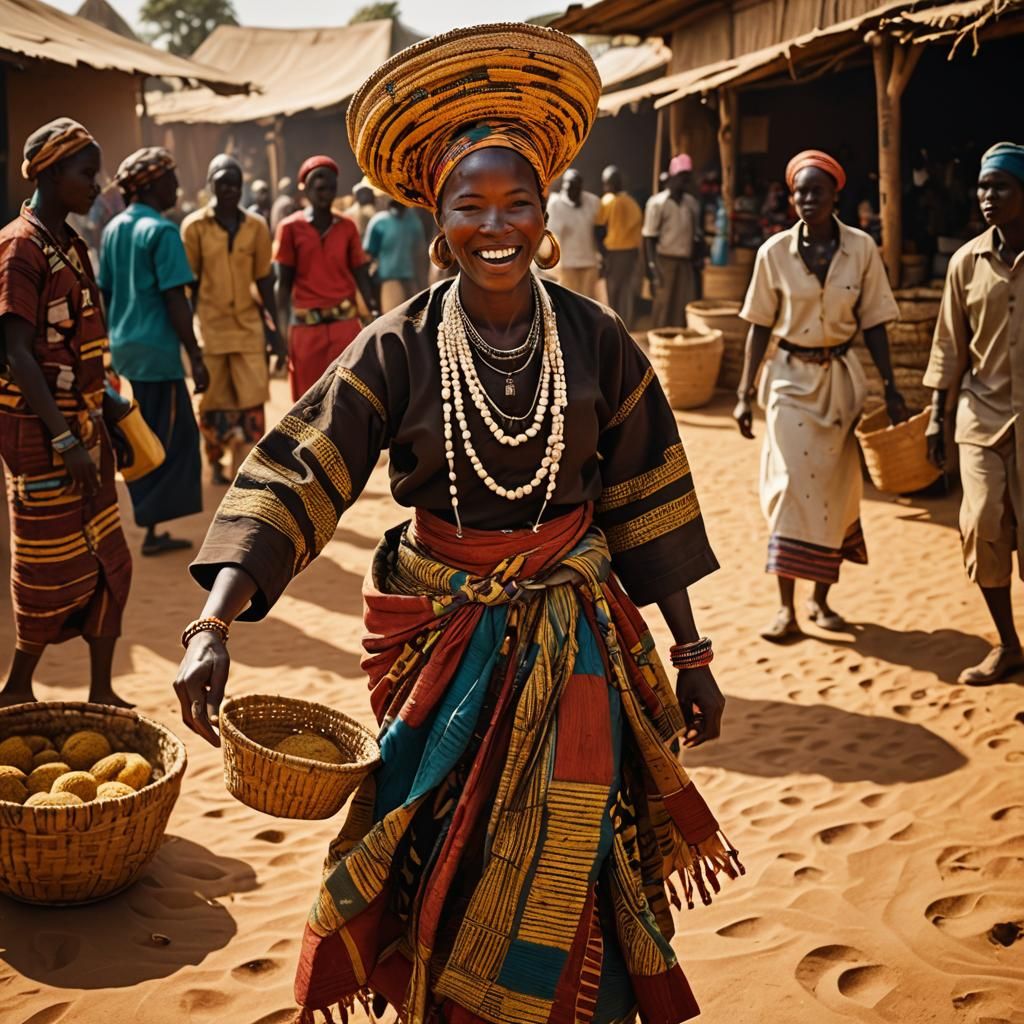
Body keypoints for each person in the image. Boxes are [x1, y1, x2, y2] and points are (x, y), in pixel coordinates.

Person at [173, 23, 740, 1024]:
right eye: (469, 205)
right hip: (441, 642)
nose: (495, 225)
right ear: (436, 221)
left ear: (545, 215)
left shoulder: (595, 338)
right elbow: (300, 474)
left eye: (516, 201)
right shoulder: (396, 344)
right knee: (440, 839)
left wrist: (691, 654)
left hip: (576, 639)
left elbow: (647, 497)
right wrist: (213, 622)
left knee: (577, 836)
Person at [734, 149, 907, 641]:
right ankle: (785, 609)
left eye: (817, 191)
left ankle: (821, 601)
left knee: (835, 494)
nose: (807, 200)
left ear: (836, 196)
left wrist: (892, 387)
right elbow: (758, 325)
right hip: (789, 382)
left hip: (841, 384)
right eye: (799, 192)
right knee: (791, 488)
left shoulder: (862, 249)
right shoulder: (774, 253)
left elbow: (874, 323)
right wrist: (744, 392)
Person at [0, 118, 133, 708]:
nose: (96, 185)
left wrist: (108, 410)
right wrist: (64, 441)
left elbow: (81, 344)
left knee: (110, 562)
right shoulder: (20, 247)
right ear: (52, 173)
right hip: (40, 435)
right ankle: (17, 686)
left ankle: (102, 688)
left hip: (83, 428)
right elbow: (16, 355)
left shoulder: (70, 245)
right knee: (47, 568)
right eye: (86, 173)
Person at [924, 142, 1024, 685]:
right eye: (983, 186)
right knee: (983, 526)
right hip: (982, 419)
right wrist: (937, 417)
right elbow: (949, 347)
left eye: (1000, 186)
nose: (988, 196)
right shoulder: (966, 262)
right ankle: (1008, 644)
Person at [100, 147, 208, 556]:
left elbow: (106, 293)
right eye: (170, 180)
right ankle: (150, 523)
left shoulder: (113, 230)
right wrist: (195, 355)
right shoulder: (161, 231)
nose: (177, 187)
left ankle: (151, 521)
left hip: (125, 349)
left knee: (139, 432)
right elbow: (175, 298)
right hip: (157, 353)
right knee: (171, 438)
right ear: (150, 185)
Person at [182, 155, 284, 485]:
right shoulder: (194, 227)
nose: (229, 190)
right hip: (211, 329)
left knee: (252, 399)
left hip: (248, 328)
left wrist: (276, 333)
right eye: (222, 183)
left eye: (235, 184)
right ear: (210, 185)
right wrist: (190, 340)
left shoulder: (256, 226)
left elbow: (265, 281)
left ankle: (248, 468)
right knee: (213, 402)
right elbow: (190, 285)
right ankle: (216, 463)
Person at [273, 155, 379, 401]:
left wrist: (374, 312)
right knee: (309, 403)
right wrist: (281, 332)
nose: (326, 195)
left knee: (348, 399)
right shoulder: (290, 228)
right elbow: (283, 284)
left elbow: (361, 274)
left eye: (331, 188)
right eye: (320, 189)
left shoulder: (347, 226)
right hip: (306, 331)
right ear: (306, 189)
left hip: (345, 328)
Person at [644, 153, 702, 329]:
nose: (685, 183)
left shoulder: (692, 203)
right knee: (664, 306)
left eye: (687, 178)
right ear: (672, 177)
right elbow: (649, 238)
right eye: (682, 178)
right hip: (665, 262)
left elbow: (696, 235)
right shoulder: (657, 203)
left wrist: (698, 258)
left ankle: (678, 341)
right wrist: (653, 269)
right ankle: (659, 340)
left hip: (685, 263)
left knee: (683, 307)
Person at [597, 164, 643, 327]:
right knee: (627, 290)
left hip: (612, 254)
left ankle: (614, 324)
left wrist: (602, 253)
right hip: (630, 254)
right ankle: (626, 324)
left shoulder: (607, 201)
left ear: (612, 184)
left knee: (612, 291)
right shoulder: (632, 203)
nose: (605, 188)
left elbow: (599, 229)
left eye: (606, 184)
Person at [363, 198, 427, 312]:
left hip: (409, 277)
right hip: (389, 278)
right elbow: (369, 252)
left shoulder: (413, 221)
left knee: (415, 315)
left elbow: (420, 250)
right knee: (394, 315)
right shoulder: (380, 222)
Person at [545, 167, 601, 298]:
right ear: (564, 188)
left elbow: (599, 232)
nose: (572, 191)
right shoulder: (555, 205)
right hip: (567, 264)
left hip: (589, 262)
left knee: (588, 301)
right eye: (569, 188)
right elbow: (552, 237)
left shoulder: (593, 202)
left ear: (580, 188)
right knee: (570, 300)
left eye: (575, 188)